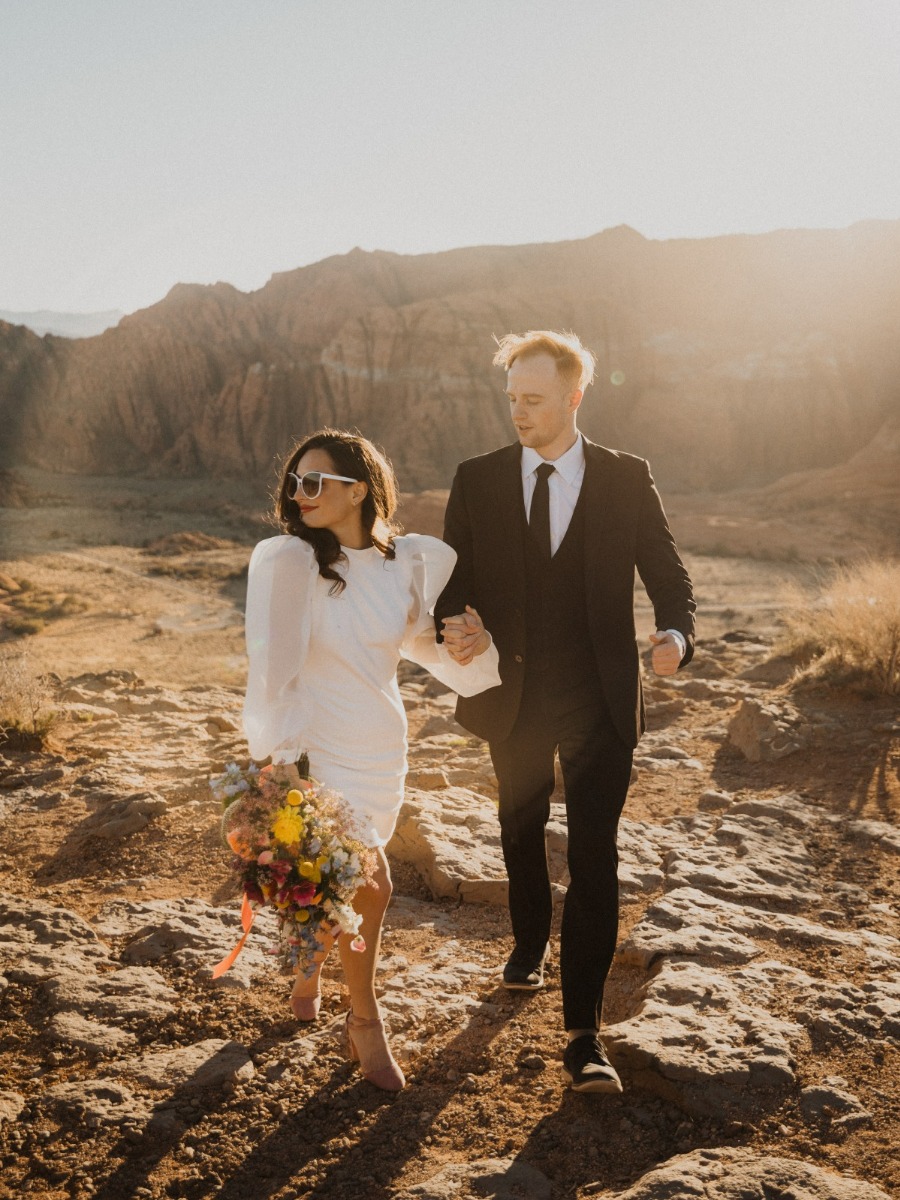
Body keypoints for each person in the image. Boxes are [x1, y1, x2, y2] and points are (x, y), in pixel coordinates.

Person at [435, 330, 695, 1095]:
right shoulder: (476, 478)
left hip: (600, 698)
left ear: (575, 397)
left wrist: (677, 633)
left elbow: (668, 572)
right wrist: (458, 620)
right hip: (509, 693)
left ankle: (583, 1034)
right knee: (518, 828)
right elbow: (454, 579)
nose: (518, 412)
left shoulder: (625, 477)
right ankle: (526, 942)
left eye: (534, 400)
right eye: (512, 398)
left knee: (595, 855)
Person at [242, 429, 500, 1091]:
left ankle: (308, 970)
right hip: (315, 745)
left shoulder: (402, 564)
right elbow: (270, 672)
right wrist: (279, 761)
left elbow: (423, 645)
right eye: (294, 483)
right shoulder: (292, 563)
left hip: (379, 748)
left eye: (314, 482)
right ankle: (364, 1020)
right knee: (372, 886)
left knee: (338, 885)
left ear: (358, 489)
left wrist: (470, 643)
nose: (299, 495)